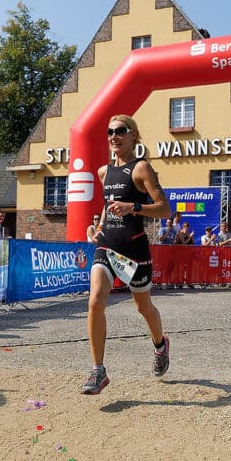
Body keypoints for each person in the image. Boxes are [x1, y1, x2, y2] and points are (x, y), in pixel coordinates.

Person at [81, 114, 171, 395]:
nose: (114, 137)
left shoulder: (141, 168)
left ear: (134, 135)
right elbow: (108, 207)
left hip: (135, 251)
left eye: (120, 131)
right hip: (106, 246)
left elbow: (165, 209)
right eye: (110, 132)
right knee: (95, 299)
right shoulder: (103, 172)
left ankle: (160, 345)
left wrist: (134, 207)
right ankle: (98, 371)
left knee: (144, 308)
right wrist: (94, 228)